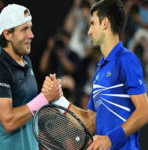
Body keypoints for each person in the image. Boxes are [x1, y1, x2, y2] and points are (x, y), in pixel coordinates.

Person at [43, 0, 148, 149]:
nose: (89, 30)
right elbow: (90, 122)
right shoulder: (100, 70)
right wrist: (59, 98)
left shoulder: (126, 59)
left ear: (105, 23)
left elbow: (144, 111)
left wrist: (110, 139)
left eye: (93, 24)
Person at [0, 4, 62, 150]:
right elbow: (9, 122)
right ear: (7, 34)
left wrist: (48, 92)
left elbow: (29, 108)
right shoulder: (0, 68)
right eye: (24, 29)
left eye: (30, 28)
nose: (31, 35)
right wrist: (45, 97)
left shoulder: (26, 60)